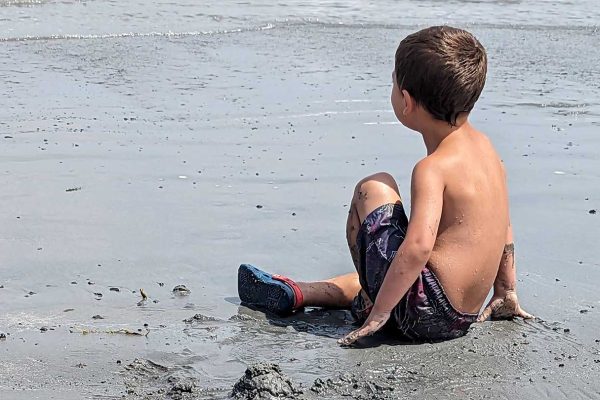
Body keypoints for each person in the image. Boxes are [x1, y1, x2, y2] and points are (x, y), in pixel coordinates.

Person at [237, 25, 533, 345]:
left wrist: (379, 314)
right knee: (397, 271)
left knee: (375, 187)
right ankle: (301, 292)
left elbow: (418, 247)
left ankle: (373, 304)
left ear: (406, 101)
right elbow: (503, 223)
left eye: (393, 82)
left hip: (422, 315)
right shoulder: (489, 153)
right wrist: (506, 290)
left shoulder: (433, 169)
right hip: (461, 316)